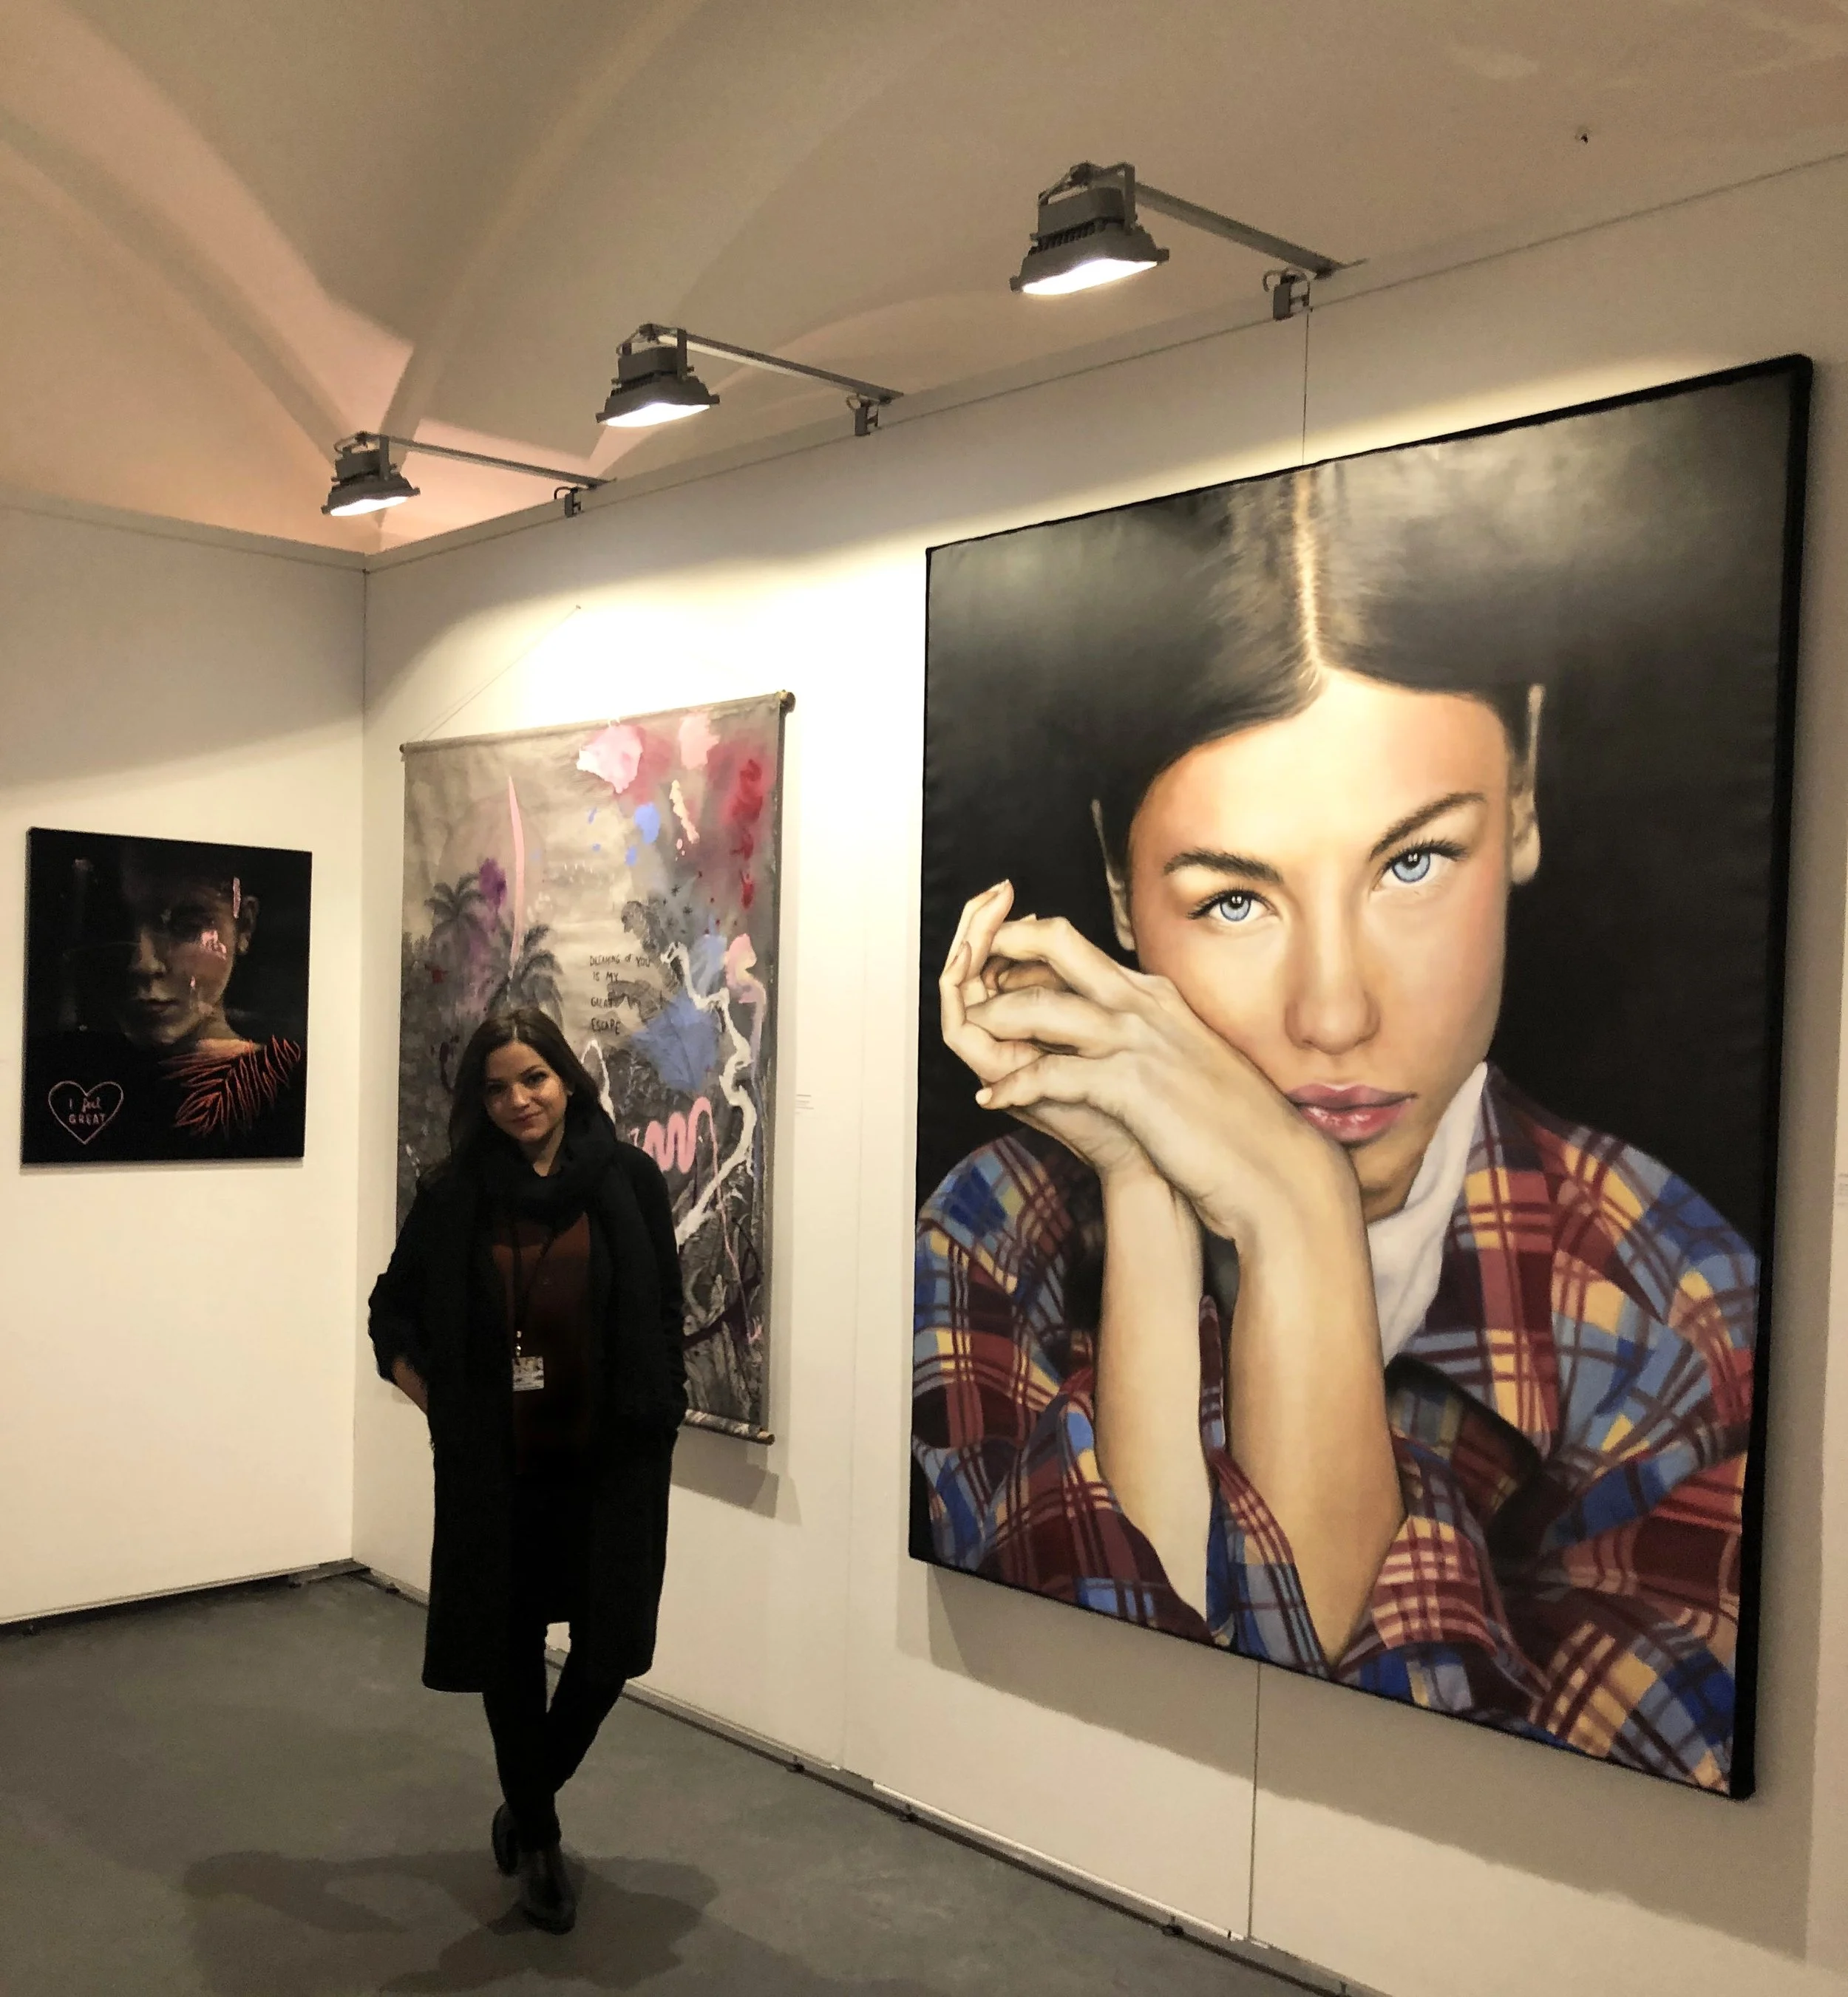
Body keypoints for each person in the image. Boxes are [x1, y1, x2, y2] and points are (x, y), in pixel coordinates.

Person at [914, 468, 1758, 1792]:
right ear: (1124, 894)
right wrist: (1144, 1177)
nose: (1335, 1013)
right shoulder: (997, 1235)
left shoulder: (1678, 1314)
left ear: (1523, 798)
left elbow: (1403, 1801)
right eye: (1236, 901)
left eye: (1414, 863)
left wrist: (1298, 1215)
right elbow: (1120, 1710)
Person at [369, 1007, 687, 1931]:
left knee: (608, 1650)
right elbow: (393, 1312)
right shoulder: (454, 1191)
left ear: (566, 1079)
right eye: (497, 1086)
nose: (517, 1101)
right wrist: (438, 1399)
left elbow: (663, 1308)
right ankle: (540, 1837)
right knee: (508, 1653)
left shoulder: (626, 1181)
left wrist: (659, 1403)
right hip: (499, 1471)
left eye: (533, 1079)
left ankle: (527, 1794)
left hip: (610, 1460)